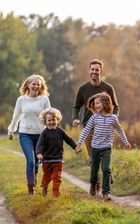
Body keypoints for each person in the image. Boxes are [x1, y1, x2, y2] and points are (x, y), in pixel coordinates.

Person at [72, 59, 120, 192]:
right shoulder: (83, 89)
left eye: (97, 70)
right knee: (93, 157)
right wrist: (75, 118)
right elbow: (76, 107)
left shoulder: (108, 88)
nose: (94, 72)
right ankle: (96, 185)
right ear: (89, 70)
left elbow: (116, 107)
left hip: (105, 127)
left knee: (104, 154)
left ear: (101, 71)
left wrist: (113, 119)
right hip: (89, 126)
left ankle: (106, 173)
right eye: (92, 69)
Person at [75, 92, 131, 201]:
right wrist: (79, 143)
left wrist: (126, 141)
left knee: (106, 169)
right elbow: (85, 130)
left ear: (105, 103)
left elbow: (119, 130)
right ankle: (93, 184)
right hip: (95, 147)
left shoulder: (113, 118)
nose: (95, 106)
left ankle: (106, 193)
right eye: (94, 104)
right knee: (94, 172)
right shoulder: (94, 117)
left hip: (106, 148)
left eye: (97, 103)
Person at [7, 74, 51, 195]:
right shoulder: (21, 100)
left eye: (38, 84)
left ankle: (34, 175)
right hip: (25, 134)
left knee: (37, 162)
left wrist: (51, 132)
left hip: (40, 135)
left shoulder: (44, 99)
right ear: (28, 85)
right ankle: (31, 190)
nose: (36, 86)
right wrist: (11, 129)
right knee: (30, 161)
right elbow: (16, 116)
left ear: (41, 86)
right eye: (34, 84)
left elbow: (49, 115)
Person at [36, 108, 81, 197]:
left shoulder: (60, 131)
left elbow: (69, 140)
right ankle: (44, 187)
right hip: (47, 160)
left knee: (56, 178)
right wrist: (39, 153)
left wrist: (75, 147)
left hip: (58, 160)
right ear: (45, 122)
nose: (52, 122)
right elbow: (39, 144)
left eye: (54, 120)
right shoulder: (44, 133)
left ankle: (55, 193)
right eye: (49, 120)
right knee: (47, 177)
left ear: (57, 120)